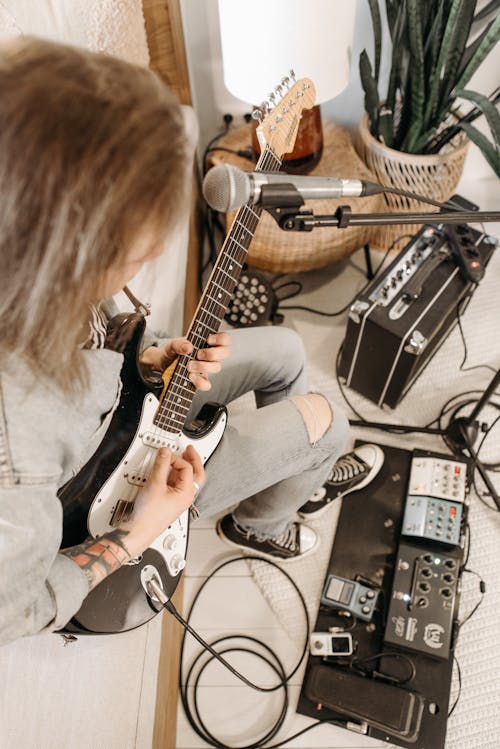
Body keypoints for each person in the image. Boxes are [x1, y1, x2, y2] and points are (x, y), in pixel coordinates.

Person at [0, 37, 382, 647]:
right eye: (137, 245)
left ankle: (276, 493)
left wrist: (146, 354)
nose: (151, 254)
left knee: (285, 351)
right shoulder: (13, 451)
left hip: (117, 402)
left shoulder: (26, 249)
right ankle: (261, 523)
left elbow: (97, 338)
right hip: (109, 494)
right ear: (73, 245)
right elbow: (16, 609)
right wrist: (136, 533)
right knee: (327, 420)